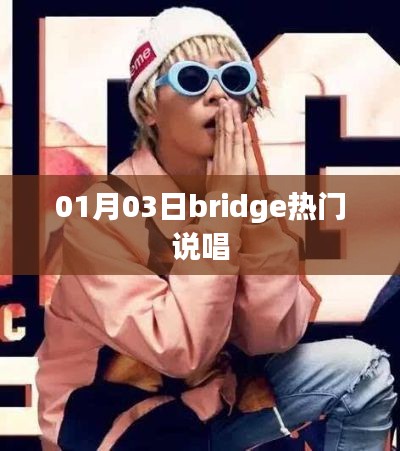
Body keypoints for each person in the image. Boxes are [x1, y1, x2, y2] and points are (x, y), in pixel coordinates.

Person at [35, 6, 397, 451]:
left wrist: (250, 207)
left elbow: (272, 334)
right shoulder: (103, 214)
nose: (217, 95)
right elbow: (179, 350)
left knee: (362, 371)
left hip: (208, 403)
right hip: (114, 423)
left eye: (234, 79)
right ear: (149, 107)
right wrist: (222, 212)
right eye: (192, 79)